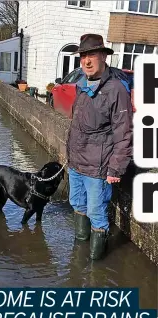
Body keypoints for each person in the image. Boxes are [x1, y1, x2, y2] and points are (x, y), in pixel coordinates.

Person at [66, 34, 133, 260]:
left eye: (91, 55)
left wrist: (116, 168)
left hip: (98, 168)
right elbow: (77, 125)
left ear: (103, 56)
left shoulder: (116, 90)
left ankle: (96, 267)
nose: (86, 61)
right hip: (76, 164)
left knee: (96, 213)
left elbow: (124, 133)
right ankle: (79, 254)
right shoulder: (81, 85)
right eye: (83, 56)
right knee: (77, 204)